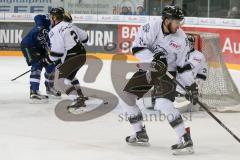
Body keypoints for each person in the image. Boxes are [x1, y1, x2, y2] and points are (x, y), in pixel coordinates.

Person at [121, 5, 194, 154]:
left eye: (180, 22)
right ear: (166, 20)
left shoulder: (182, 39)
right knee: (127, 98)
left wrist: (190, 85)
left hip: (169, 71)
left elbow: (183, 66)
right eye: (176, 22)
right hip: (150, 67)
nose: (179, 25)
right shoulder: (151, 27)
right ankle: (140, 133)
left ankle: (184, 138)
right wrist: (154, 59)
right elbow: (137, 48)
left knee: (163, 104)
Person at [48, 7, 88, 111]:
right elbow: (85, 37)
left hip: (72, 57)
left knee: (60, 81)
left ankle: (77, 101)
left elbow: (58, 52)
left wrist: (50, 59)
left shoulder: (54, 30)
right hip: (82, 56)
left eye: (51, 17)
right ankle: (80, 96)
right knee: (69, 79)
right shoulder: (70, 25)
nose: (50, 19)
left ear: (55, 17)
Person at [21, 14, 61, 103]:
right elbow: (37, 17)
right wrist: (42, 25)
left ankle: (49, 87)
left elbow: (52, 48)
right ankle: (34, 92)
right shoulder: (45, 22)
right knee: (37, 65)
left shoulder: (57, 32)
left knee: (51, 65)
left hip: (42, 48)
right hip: (29, 45)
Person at [175, 34, 208, 102]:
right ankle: (179, 93)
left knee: (186, 73)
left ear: (193, 44)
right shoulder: (180, 53)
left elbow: (187, 67)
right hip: (187, 81)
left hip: (197, 80)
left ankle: (193, 94)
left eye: (190, 43)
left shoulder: (199, 55)